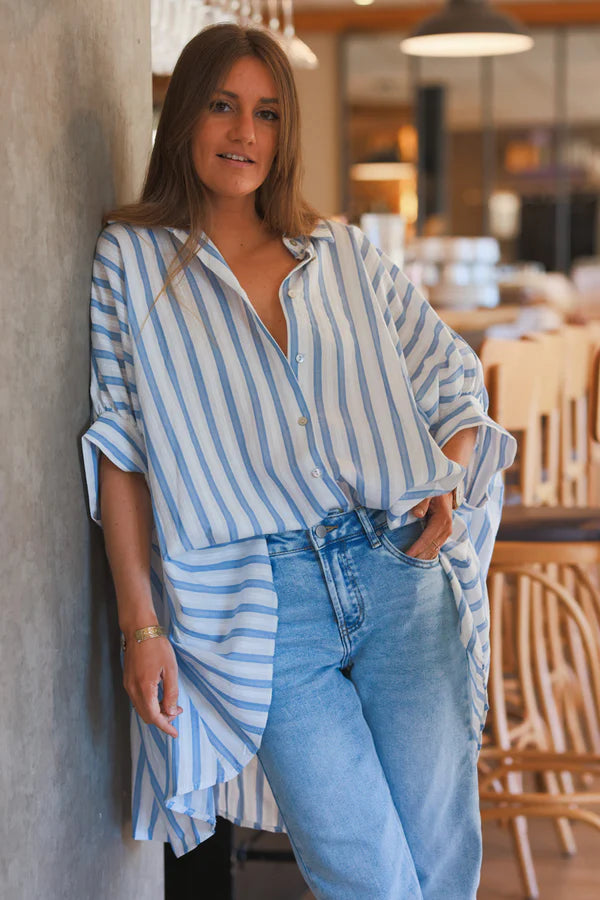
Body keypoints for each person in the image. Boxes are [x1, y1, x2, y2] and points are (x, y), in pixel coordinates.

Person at [81, 23, 516, 900]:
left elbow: (454, 378)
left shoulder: (344, 253)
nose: (246, 133)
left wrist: (450, 473)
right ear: (183, 118)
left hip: (399, 565)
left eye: (268, 113)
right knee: (363, 870)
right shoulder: (130, 262)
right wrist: (141, 626)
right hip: (263, 603)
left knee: (441, 861)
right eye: (224, 106)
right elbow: (121, 451)